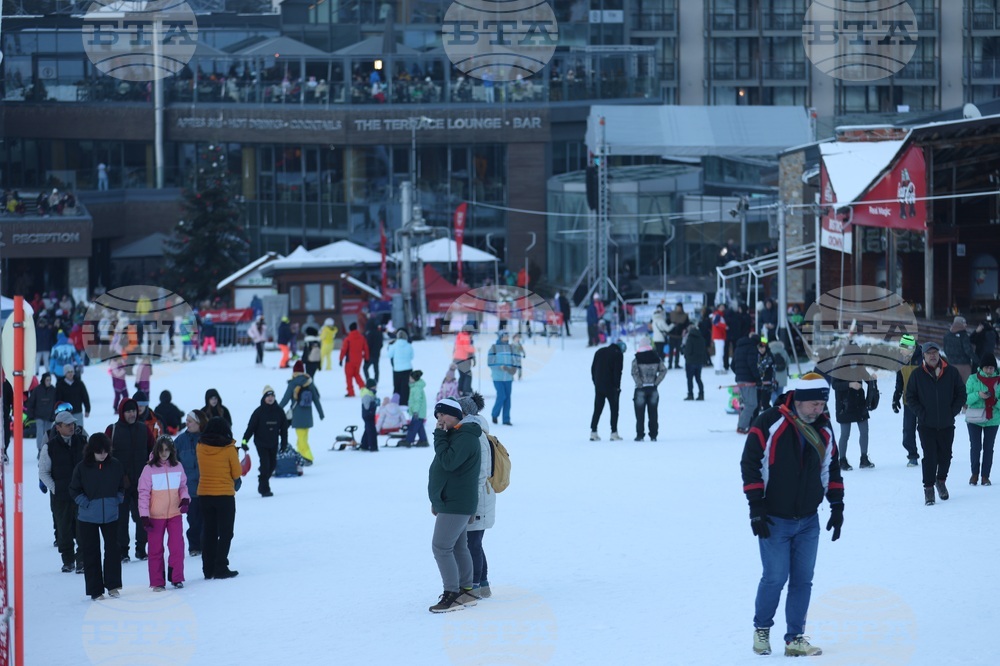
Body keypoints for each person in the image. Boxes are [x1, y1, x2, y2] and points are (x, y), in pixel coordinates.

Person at [741, 373, 844, 657]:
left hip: (809, 520)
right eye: (813, 404)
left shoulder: (824, 427)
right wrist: (756, 508)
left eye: (821, 405)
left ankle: (795, 638)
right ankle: (762, 629)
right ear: (798, 399)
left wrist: (837, 506)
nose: (818, 410)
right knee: (775, 577)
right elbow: (750, 463)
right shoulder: (769, 421)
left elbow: (831, 467)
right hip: (774, 518)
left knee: (803, 580)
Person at [427, 398, 482, 613]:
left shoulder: (465, 437)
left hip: (457, 503)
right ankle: (466, 592)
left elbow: (449, 462)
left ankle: (452, 593)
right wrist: (437, 500)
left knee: (441, 547)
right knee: (459, 547)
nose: (440, 420)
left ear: (457, 415)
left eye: (443, 415)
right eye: (437, 416)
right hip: (451, 502)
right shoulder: (457, 435)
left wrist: (440, 436)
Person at [906, 341, 966, 505]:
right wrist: (922, 413)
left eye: (935, 352)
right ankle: (929, 488)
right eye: (929, 353)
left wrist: (952, 411)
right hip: (926, 425)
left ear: (939, 354)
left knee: (946, 456)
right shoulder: (917, 375)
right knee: (930, 457)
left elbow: (961, 393)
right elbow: (910, 397)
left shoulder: (951, 372)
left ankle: (941, 481)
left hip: (947, 423)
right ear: (924, 355)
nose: (932, 356)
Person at [70, 433, 125, 600]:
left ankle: (113, 585)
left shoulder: (115, 465)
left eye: (105, 451)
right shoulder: (81, 467)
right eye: (99, 451)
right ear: (91, 451)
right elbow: (74, 489)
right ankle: (95, 590)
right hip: (88, 518)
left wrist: (117, 499)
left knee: (113, 551)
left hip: (111, 516)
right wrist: (85, 503)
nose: (103, 454)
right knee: (91, 552)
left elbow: (122, 486)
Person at [138, 436, 189, 591]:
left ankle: (176, 577)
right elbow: (143, 493)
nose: (164, 453)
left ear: (171, 450)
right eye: (161, 450)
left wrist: (185, 499)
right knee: (155, 549)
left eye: (167, 450)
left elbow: (183, 487)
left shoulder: (178, 466)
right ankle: (157, 581)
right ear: (156, 450)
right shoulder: (149, 469)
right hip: (155, 516)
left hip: (174, 514)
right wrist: (144, 515)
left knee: (177, 547)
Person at [106, 398, 154, 562]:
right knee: (121, 519)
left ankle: (141, 549)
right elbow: (105, 457)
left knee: (143, 517)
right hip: (120, 484)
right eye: (128, 411)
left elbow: (152, 451)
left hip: (141, 482)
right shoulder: (112, 430)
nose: (132, 413)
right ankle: (122, 551)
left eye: (133, 410)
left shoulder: (143, 429)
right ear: (121, 412)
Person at [39, 410, 87, 573]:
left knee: (83, 529)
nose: (72, 427)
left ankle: (81, 560)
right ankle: (68, 560)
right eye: (67, 425)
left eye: (73, 424)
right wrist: (55, 489)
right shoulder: (49, 447)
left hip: (81, 495)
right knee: (63, 530)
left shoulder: (82, 441)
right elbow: (43, 472)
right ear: (58, 427)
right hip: (60, 497)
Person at [458, 392, 495, 598]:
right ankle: (482, 584)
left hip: (479, 496)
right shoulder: (472, 431)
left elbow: (481, 472)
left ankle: (476, 585)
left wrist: (472, 498)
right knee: (473, 541)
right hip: (478, 495)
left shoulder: (477, 435)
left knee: (472, 542)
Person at [196, 417, 241, 579]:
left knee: (209, 531)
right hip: (224, 495)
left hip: (205, 494)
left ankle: (208, 569)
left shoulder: (200, 447)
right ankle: (221, 566)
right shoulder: (229, 449)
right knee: (226, 532)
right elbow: (237, 473)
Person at [241, 386, 289, 497]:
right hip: (261, 443)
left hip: (273, 443)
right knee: (265, 464)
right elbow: (251, 428)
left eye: (272, 396)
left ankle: (263, 477)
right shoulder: (258, 412)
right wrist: (244, 441)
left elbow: (284, 429)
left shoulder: (279, 411)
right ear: (264, 398)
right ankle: (264, 488)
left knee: (272, 465)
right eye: (268, 396)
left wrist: (284, 443)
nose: (270, 398)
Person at [279, 360, 324, 464]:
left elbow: (285, 400)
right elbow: (316, 400)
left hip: (297, 417)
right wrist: (321, 413)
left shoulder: (292, 383)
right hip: (308, 417)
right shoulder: (309, 383)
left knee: (302, 439)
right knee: (302, 437)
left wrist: (275, 409)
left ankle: (308, 457)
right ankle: (300, 456)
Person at [832, 367, 878, 470]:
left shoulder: (859, 366)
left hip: (859, 404)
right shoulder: (838, 366)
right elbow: (835, 385)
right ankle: (842, 460)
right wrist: (850, 384)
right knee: (845, 434)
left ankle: (864, 458)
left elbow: (867, 379)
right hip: (844, 405)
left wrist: (872, 379)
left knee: (864, 431)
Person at [174, 410, 205, 556]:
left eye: (190, 420)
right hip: (189, 489)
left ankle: (207, 544)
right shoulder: (180, 441)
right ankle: (194, 547)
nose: (187, 423)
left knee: (207, 519)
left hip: (207, 487)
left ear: (199, 423)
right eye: (186, 420)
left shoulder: (207, 438)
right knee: (193, 519)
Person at [966, 353, 999, 486]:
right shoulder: (973, 379)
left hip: (993, 419)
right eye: (986, 368)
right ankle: (974, 474)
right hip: (975, 418)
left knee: (988, 448)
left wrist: (995, 401)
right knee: (975, 447)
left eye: (992, 368)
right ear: (981, 368)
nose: (989, 370)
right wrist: (978, 395)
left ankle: (985, 476)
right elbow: (966, 398)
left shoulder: (999, 380)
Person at [892, 334, 922, 466]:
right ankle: (912, 455)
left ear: (910, 348)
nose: (900, 351)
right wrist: (896, 398)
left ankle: (932, 453)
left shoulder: (922, 359)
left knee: (925, 429)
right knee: (908, 429)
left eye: (902, 348)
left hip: (923, 401)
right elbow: (899, 381)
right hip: (908, 401)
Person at [631, 336, 667, 441]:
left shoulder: (636, 359)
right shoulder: (656, 357)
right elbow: (663, 370)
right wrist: (656, 382)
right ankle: (653, 435)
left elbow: (634, 372)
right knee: (653, 413)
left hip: (640, 390)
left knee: (639, 414)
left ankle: (640, 435)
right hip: (653, 389)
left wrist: (639, 383)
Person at [590, 340, 625, 440]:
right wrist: (617, 386)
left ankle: (593, 432)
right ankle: (614, 433)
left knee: (597, 409)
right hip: (611, 387)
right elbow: (618, 372)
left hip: (599, 385)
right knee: (614, 410)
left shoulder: (599, 351)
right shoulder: (618, 354)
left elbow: (593, 369)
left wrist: (595, 382)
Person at [487, 331, 518, 426]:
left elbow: (515, 360)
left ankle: (506, 419)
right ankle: (494, 414)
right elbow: (490, 362)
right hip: (497, 377)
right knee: (501, 395)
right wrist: (499, 367)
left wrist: (514, 367)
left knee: (508, 398)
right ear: (500, 337)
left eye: (508, 336)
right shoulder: (494, 348)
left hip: (508, 377)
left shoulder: (511, 347)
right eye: (505, 336)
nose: (507, 337)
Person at [733, 332, 762, 434]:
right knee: (751, 404)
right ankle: (742, 426)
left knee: (747, 404)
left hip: (740, 380)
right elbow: (752, 364)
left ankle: (744, 425)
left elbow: (733, 364)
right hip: (749, 381)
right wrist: (757, 379)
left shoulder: (738, 348)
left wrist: (739, 374)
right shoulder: (752, 348)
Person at [27, 372, 58, 453]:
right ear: (43, 380)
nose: (49, 382)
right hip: (39, 416)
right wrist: (30, 414)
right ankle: (40, 450)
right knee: (40, 434)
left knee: (48, 434)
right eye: (47, 380)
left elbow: (56, 403)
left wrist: (54, 415)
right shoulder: (37, 390)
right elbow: (31, 402)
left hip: (49, 416)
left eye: (50, 380)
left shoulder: (53, 390)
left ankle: (47, 449)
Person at [943, 316, 977, 383]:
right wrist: (977, 360)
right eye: (964, 323)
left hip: (951, 364)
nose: (966, 325)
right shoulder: (964, 336)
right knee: (965, 386)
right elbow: (968, 350)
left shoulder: (947, 335)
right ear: (960, 324)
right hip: (964, 366)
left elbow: (945, 349)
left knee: (953, 386)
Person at [339, 322, 369, 397]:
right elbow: (366, 348)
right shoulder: (362, 337)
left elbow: (343, 350)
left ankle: (351, 392)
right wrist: (366, 358)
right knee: (357, 374)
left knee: (349, 376)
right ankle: (363, 388)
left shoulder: (348, 339)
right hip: (359, 359)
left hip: (350, 360)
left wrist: (341, 359)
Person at [55, 364, 90, 428]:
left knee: (79, 430)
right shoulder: (60, 385)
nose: (70, 374)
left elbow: (85, 396)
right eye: (68, 372)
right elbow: (58, 400)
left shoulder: (79, 383)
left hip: (78, 411)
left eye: (71, 372)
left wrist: (87, 409)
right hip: (66, 413)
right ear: (65, 373)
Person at [387, 329, 414, 406]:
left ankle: (396, 402)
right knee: (406, 386)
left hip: (397, 369)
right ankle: (404, 402)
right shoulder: (409, 346)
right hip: (408, 369)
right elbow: (412, 356)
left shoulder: (394, 345)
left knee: (397, 386)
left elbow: (389, 355)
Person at [682, 325, 709, 401]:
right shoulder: (701, 338)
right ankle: (701, 394)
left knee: (689, 379)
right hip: (699, 362)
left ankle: (690, 394)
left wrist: (684, 353)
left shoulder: (690, 338)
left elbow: (688, 351)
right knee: (698, 378)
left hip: (690, 362)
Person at [406, 370, 429, 447]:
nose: (409, 379)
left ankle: (408, 441)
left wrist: (415, 411)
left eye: (410, 378)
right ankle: (423, 440)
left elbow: (417, 401)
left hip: (418, 412)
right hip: (419, 412)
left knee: (413, 426)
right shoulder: (416, 387)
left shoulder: (416, 388)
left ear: (414, 379)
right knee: (419, 427)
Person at [453, 326, 476, 396]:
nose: (473, 335)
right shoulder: (465, 337)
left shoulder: (460, 336)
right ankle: (466, 390)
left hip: (457, 359)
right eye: (472, 333)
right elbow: (466, 348)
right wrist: (474, 349)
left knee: (462, 375)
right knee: (468, 375)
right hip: (462, 359)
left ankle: (461, 389)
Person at [768, 340, 793, 405]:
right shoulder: (783, 351)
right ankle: (779, 405)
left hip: (773, 375)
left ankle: (775, 404)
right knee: (779, 393)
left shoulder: (770, 351)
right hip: (782, 375)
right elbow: (788, 362)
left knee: (772, 391)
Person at [667, 303, 690, 370]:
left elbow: (687, 324)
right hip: (672, 335)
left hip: (679, 336)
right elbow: (667, 322)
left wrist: (685, 330)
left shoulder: (685, 316)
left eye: (680, 308)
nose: (678, 309)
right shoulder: (671, 314)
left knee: (677, 351)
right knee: (671, 351)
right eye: (677, 307)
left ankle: (676, 363)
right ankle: (670, 364)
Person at [359, 379, 379, 452]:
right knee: (371, 431)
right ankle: (373, 446)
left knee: (368, 430)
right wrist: (374, 403)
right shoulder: (366, 394)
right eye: (374, 386)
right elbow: (367, 406)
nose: (375, 388)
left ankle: (364, 445)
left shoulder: (371, 393)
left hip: (370, 414)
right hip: (367, 415)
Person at [364, 318, 383, 384]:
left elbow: (368, 345)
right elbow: (381, 344)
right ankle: (376, 380)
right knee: (376, 368)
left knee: (365, 368)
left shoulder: (370, 334)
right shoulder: (379, 333)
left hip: (370, 354)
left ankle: (368, 380)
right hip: (377, 354)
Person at [711, 305, 728, 374]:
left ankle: (718, 368)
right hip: (719, 336)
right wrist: (725, 326)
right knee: (719, 353)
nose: (723, 308)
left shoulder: (718, 314)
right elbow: (715, 323)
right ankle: (718, 368)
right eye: (721, 307)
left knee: (719, 353)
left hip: (719, 336)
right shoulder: (718, 315)